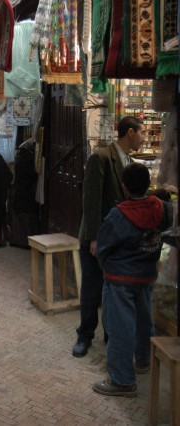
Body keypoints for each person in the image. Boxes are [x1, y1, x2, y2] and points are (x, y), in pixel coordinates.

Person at [93, 162, 171, 397]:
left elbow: (103, 247)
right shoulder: (161, 208)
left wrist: (106, 267)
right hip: (146, 275)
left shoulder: (119, 214)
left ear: (124, 187)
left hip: (120, 278)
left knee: (120, 327)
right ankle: (143, 361)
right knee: (144, 320)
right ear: (148, 184)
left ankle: (122, 380)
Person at [72, 116, 145, 358]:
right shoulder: (101, 157)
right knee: (92, 289)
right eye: (142, 133)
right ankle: (84, 335)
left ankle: (110, 333)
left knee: (112, 290)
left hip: (116, 239)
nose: (143, 139)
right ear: (131, 133)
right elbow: (90, 200)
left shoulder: (130, 162)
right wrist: (93, 238)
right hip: (96, 238)